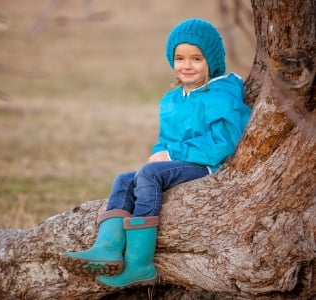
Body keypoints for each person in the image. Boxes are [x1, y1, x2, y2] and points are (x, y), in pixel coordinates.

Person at [62, 18, 251, 287]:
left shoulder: (221, 94)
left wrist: (172, 154)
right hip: (181, 162)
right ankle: (108, 247)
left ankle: (140, 264)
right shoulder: (172, 100)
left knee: (149, 174)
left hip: (209, 165)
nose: (187, 65)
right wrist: (162, 152)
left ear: (211, 61)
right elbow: (165, 141)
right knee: (125, 179)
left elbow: (224, 142)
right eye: (180, 58)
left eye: (197, 58)